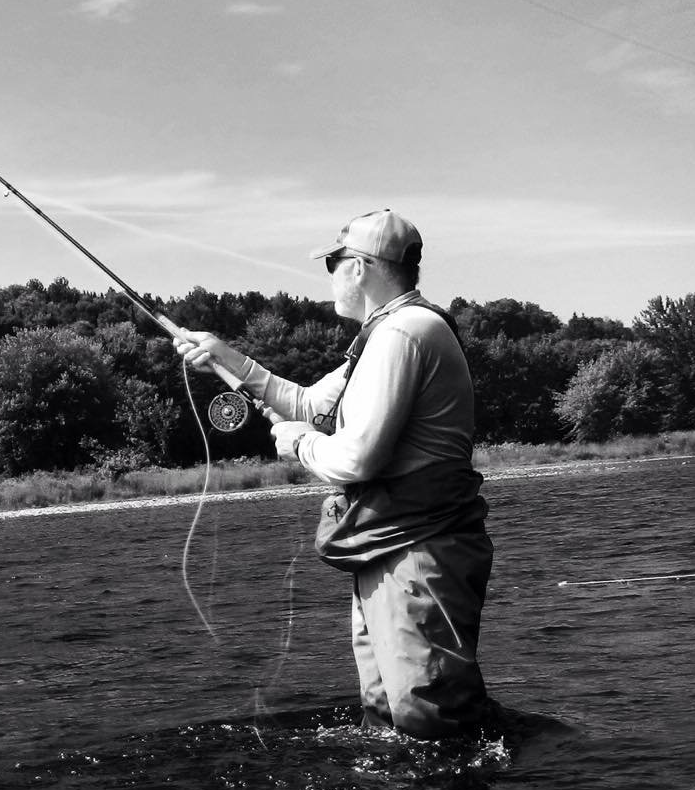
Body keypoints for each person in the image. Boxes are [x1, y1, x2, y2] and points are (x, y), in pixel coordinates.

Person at [172, 208, 495, 739]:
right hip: (387, 543)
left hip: (420, 548)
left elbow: (355, 458)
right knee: (387, 708)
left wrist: (301, 444)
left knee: (428, 711)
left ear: (361, 268)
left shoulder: (404, 334)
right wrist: (225, 356)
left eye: (333, 263)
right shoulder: (380, 336)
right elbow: (304, 403)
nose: (330, 276)